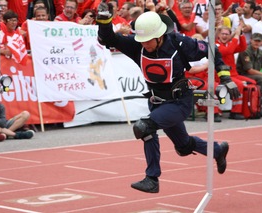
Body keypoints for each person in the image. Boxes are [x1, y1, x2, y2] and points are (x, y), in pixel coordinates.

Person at [97, 7, 240, 193]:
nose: (145, 44)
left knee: (144, 127)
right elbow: (109, 39)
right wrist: (104, 21)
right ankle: (218, 150)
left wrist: (226, 78)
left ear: (159, 35)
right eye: (142, 40)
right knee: (184, 146)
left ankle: (152, 178)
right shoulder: (137, 45)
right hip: (157, 102)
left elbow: (212, 49)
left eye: (148, 40)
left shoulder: (180, 43)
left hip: (179, 102)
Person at [236, 33, 262, 115]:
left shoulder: (260, 52)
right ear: (251, 40)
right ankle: (258, 106)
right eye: (255, 40)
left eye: (259, 41)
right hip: (243, 75)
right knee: (261, 79)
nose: (257, 43)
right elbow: (249, 70)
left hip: (255, 75)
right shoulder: (245, 51)